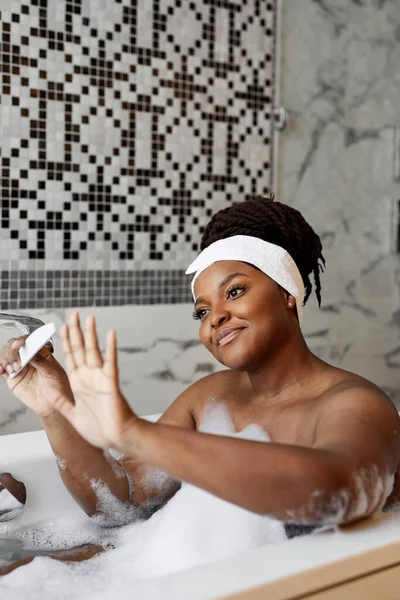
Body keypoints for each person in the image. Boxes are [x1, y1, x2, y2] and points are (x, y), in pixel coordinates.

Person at [1, 195, 399, 572]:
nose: (215, 318)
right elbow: (119, 505)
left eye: (235, 291)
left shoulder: (355, 403)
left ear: (288, 294)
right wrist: (53, 408)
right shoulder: (210, 398)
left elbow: (338, 490)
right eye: (203, 310)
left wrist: (132, 431)